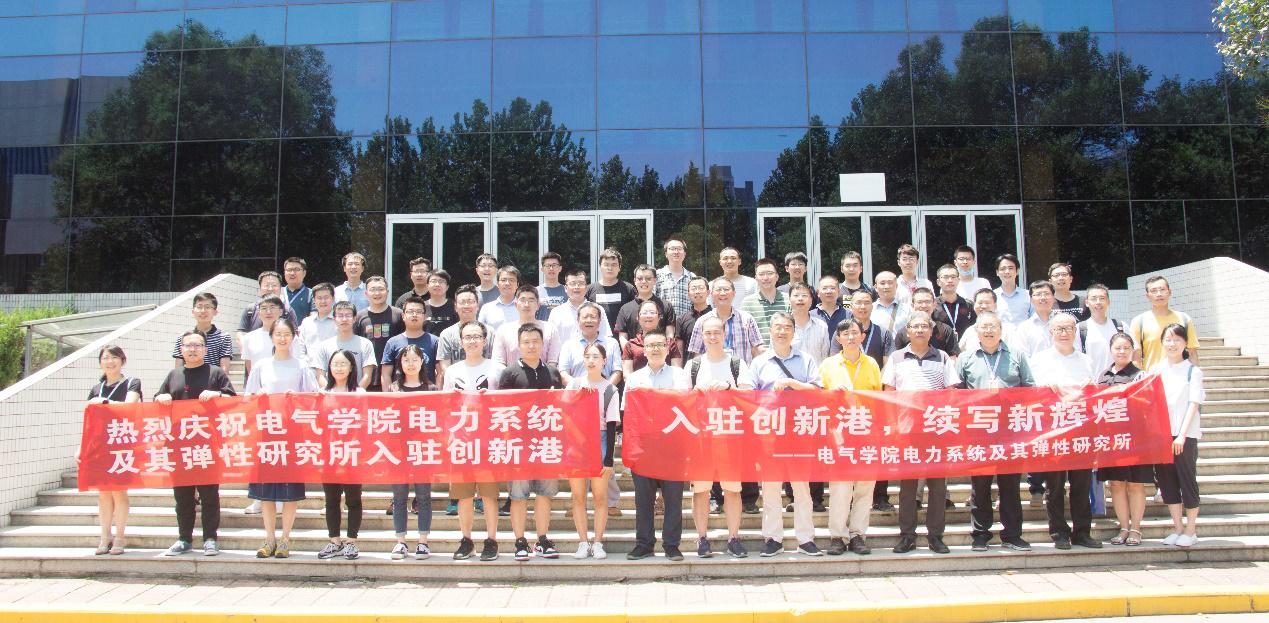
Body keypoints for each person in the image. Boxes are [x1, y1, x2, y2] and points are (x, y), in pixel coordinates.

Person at [957, 311, 1034, 552]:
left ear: (1001, 330)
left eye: (993, 326)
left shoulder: (1016, 355)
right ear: (976, 331)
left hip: (1010, 431)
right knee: (980, 486)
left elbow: (1030, 388)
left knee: (1010, 485)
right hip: (979, 432)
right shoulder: (966, 358)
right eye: (984, 327)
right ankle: (980, 535)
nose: (989, 331)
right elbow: (957, 394)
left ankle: (1012, 534)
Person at [883, 311, 958, 554]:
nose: (919, 330)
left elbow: (951, 393)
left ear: (931, 330)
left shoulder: (943, 356)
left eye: (924, 326)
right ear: (907, 331)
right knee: (908, 487)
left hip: (936, 429)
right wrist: (893, 426)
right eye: (915, 326)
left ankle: (936, 536)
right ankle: (907, 535)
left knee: (937, 487)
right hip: (907, 431)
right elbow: (889, 392)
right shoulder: (896, 357)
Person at [750, 313, 824, 557]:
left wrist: (793, 383)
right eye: (778, 327)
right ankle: (773, 538)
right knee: (771, 488)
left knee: (801, 487)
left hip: (799, 430)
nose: (782, 332)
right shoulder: (759, 362)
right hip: (770, 432)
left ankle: (806, 539)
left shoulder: (806, 359)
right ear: (770, 331)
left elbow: (817, 390)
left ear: (794, 332)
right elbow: (749, 396)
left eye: (787, 328)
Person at [157, 330, 236, 556]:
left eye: (197, 345)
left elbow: (234, 401)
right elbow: (157, 401)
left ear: (205, 349)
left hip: (207, 445)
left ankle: (210, 538)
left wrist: (217, 395)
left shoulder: (215, 373)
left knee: (209, 494)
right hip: (179, 446)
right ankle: (184, 539)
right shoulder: (173, 375)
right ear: (181, 350)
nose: (192, 349)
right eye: (188, 345)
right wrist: (160, 397)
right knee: (182, 496)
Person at [244, 318, 317, 560]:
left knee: (289, 490)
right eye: (278, 334)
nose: (283, 338)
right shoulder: (261, 366)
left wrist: (297, 396)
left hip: (292, 433)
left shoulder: (301, 365)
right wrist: (259, 395)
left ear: (293, 337)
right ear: (272, 337)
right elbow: (247, 398)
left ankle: (285, 539)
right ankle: (269, 538)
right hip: (267, 433)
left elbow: (313, 397)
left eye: (287, 334)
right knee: (266, 491)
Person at [1029, 313, 1101, 550]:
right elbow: (1032, 393)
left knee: (1081, 485)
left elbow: (1096, 393)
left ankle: (1082, 532)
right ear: (1051, 332)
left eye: (1069, 328)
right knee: (1055, 486)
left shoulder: (1086, 360)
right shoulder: (1039, 360)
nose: (1064, 333)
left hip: (1081, 430)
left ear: (1075, 332)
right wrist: (1045, 389)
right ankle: (1059, 532)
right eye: (1059, 329)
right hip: (1054, 431)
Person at [689, 316, 754, 559]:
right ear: (702, 336)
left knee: (732, 490)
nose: (713, 336)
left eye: (717, 332)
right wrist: (694, 392)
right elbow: (682, 400)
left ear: (725, 334)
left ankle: (733, 538)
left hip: (730, 437)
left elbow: (749, 396)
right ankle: (702, 538)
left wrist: (729, 387)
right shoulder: (694, 365)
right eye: (708, 333)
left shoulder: (736, 363)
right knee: (701, 491)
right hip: (701, 439)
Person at [498, 324, 565, 561]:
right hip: (519, 445)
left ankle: (542, 539)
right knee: (518, 496)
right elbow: (501, 410)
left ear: (543, 344)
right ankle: (520, 541)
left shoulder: (553, 373)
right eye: (526, 342)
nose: (531, 346)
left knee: (545, 494)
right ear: (518, 345)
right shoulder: (509, 373)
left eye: (535, 341)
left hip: (546, 444)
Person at [624, 329, 689, 561]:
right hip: (644, 447)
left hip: (672, 446)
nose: (655, 349)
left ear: (667, 348)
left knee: (673, 499)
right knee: (643, 499)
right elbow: (629, 413)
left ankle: (671, 545)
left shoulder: (680, 375)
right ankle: (644, 544)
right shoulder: (634, 378)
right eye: (650, 345)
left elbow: (683, 405)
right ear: (644, 350)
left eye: (660, 345)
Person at [818, 319, 882, 555]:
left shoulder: (871, 364)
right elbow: (818, 398)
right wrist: (831, 395)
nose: (851, 337)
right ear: (838, 338)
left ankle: (858, 535)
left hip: (866, 431)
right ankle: (837, 535)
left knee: (865, 487)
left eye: (855, 332)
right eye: (845, 333)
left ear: (862, 336)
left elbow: (879, 398)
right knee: (840, 487)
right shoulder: (828, 365)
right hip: (839, 433)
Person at [442, 320, 504, 560]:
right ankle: (466, 540)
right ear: (460, 342)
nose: (472, 341)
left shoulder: (497, 368)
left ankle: (492, 540)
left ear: (484, 340)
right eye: (467, 337)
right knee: (463, 495)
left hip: (488, 441)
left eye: (476, 336)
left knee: (489, 495)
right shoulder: (452, 371)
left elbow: (506, 405)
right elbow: (445, 405)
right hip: (461, 441)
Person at [565, 342, 621, 559]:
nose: (591, 360)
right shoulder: (574, 385)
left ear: (604, 361)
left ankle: (598, 542)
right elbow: (564, 413)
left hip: (601, 440)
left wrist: (608, 459)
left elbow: (611, 424)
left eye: (596, 357)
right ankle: (583, 541)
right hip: (577, 442)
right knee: (578, 496)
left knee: (600, 497)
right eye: (588, 356)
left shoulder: (610, 389)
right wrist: (579, 397)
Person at [85, 345, 141, 555]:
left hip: (121, 444)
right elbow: (89, 422)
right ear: (100, 362)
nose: (110, 362)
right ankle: (104, 536)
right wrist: (81, 448)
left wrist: (105, 402)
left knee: (119, 491)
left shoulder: (132, 382)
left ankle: (120, 537)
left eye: (114, 357)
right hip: (99, 446)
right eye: (106, 358)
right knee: (103, 493)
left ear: (122, 361)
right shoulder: (96, 388)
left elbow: (129, 407)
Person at [1154, 323, 1205, 547]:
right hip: (1162, 436)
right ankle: (1178, 528)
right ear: (1162, 343)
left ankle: (1191, 530)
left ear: (1185, 343)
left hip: (1185, 435)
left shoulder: (1193, 371)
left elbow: (1194, 403)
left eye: (1177, 339)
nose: (1172, 344)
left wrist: (1181, 435)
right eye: (1168, 339)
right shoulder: (1156, 369)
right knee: (1167, 482)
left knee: (1187, 481)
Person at [1096, 333, 1149, 547]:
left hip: (1135, 438)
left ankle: (1136, 528)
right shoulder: (1103, 375)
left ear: (1132, 350)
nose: (1122, 351)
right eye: (1118, 348)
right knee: (1116, 484)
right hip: (1110, 439)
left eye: (1126, 347)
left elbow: (1146, 404)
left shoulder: (1140, 375)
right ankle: (1124, 527)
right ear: (1111, 350)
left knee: (1135, 484)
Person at [387, 345, 435, 560]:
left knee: (424, 497)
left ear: (422, 361)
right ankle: (401, 542)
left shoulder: (431, 389)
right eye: (406, 360)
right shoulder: (393, 389)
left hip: (424, 451)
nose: (411, 364)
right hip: (398, 452)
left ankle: (423, 542)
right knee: (399, 498)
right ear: (400, 363)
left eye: (415, 359)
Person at [317, 349, 366, 561]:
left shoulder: (359, 393)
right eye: (335, 364)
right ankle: (334, 541)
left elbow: (365, 421)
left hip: (352, 454)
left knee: (353, 499)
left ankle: (351, 542)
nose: (339, 368)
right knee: (331, 500)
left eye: (343, 364)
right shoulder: (322, 393)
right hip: (329, 454)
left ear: (351, 367)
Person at [688, 277, 765, 363]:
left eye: (726, 289)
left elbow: (756, 349)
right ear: (712, 294)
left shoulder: (747, 319)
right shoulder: (702, 321)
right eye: (718, 290)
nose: (722, 293)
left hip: (742, 371)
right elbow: (697, 353)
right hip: (712, 371)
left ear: (734, 293)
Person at [1131, 275, 1200, 369]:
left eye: (1162, 289)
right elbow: (1136, 356)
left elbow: (1192, 353)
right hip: (1152, 376)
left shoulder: (1184, 319)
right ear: (1147, 296)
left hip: (1180, 376)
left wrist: (1194, 375)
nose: (1159, 294)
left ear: (1169, 292)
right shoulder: (1139, 322)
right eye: (1154, 291)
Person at [354, 276, 404, 392]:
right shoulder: (359, 317)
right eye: (372, 290)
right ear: (366, 293)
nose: (377, 293)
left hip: (394, 377)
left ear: (387, 291)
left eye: (381, 289)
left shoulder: (398, 315)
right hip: (367, 377)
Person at [311, 301, 376, 389]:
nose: (344, 319)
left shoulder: (366, 344)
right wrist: (331, 393)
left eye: (348, 315)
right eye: (340, 316)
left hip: (357, 395)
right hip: (331, 395)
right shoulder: (324, 346)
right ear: (334, 319)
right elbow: (320, 376)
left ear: (354, 319)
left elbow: (367, 376)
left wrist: (355, 393)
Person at [437, 284, 494, 384]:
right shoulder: (446, 334)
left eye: (470, 301)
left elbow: (495, 361)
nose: (466, 306)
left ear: (477, 306)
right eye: (462, 302)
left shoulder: (490, 332)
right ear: (455, 307)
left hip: (485, 385)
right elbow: (445, 366)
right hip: (458, 386)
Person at [493, 286, 562, 368]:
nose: (526, 305)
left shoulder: (550, 329)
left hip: (544, 375)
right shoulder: (503, 330)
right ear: (516, 305)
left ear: (538, 305)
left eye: (531, 300)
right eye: (522, 300)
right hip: (511, 375)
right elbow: (499, 362)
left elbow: (553, 361)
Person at [380, 297, 438, 388]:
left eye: (419, 312)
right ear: (403, 316)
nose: (414, 315)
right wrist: (389, 395)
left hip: (427, 394)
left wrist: (438, 394)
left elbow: (440, 373)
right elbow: (386, 375)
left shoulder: (435, 341)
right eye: (410, 311)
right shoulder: (392, 343)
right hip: (400, 394)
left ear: (425, 316)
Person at [615, 264, 676, 348]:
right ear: (635, 280)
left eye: (648, 278)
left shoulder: (666, 306)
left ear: (655, 280)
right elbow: (622, 337)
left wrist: (662, 351)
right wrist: (631, 352)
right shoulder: (625, 309)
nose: (644, 281)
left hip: (660, 353)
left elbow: (670, 335)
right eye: (640, 279)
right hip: (634, 355)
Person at [561, 302, 623, 385]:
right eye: (585, 317)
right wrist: (580, 388)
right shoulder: (568, 345)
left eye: (593, 317)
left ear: (600, 320)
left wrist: (604, 389)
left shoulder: (612, 343)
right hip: (577, 391)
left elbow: (617, 372)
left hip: (605, 391)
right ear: (578, 320)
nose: (589, 320)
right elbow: (563, 374)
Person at [236, 271, 299, 351]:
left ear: (280, 289)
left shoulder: (287, 310)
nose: (270, 288)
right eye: (266, 285)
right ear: (260, 289)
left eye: (274, 285)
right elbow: (241, 333)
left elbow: (294, 336)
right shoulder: (250, 309)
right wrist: (248, 350)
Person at [548, 269, 614, 343]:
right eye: (573, 283)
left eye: (581, 283)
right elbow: (550, 340)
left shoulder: (598, 309)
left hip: (593, 350)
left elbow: (606, 337)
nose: (577, 287)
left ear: (586, 288)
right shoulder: (556, 312)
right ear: (566, 288)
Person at [172, 292, 233, 370]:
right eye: (199, 307)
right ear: (193, 311)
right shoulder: (183, 338)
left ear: (215, 312)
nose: (203, 311)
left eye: (207, 307)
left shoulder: (223, 337)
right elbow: (178, 370)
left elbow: (224, 370)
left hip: (213, 377)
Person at [894, 288, 960, 356]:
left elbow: (953, 357)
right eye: (919, 302)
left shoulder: (945, 330)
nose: (924, 305)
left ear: (934, 304)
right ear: (912, 305)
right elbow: (896, 357)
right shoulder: (903, 333)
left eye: (927, 302)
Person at [622, 299, 682, 374]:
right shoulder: (630, 345)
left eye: (652, 312)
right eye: (644, 313)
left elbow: (677, 371)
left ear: (659, 317)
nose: (648, 316)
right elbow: (627, 374)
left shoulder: (670, 343)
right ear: (638, 318)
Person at [740, 258, 790, 345]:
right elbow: (743, 332)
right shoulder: (747, 303)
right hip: (758, 352)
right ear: (756, 278)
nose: (766, 278)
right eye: (761, 274)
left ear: (777, 276)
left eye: (770, 273)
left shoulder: (789, 300)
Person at [587, 248, 637, 334]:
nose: (610, 268)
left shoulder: (629, 289)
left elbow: (635, 315)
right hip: (596, 338)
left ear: (619, 267)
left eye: (614, 265)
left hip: (623, 338)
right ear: (600, 267)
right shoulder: (589, 290)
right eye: (606, 264)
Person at [1078, 283, 1126, 373]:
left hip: (1119, 380)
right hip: (1092, 380)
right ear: (1087, 303)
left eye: (1102, 298)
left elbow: (1133, 353)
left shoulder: (1121, 327)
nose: (1098, 302)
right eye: (1094, 299)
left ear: (1108, 302)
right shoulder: (1079, 329)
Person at [240, 294, 285, 381]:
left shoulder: (290, 337)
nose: (268, 312)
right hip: (258, 386)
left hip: (284, 384)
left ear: (281, 311)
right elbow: (250, 368)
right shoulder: (249, 338)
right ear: (258, 313)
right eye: (264, 308)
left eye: (272, 307)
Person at [1012, 280, 1060, 358]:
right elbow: (1023, 357)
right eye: (1038, 294)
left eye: (1046, 294)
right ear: (1031, 300)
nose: (1043, 297)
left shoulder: (1064, 324)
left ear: (1054, 298)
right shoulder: (1024, 328)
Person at [959, 288, 1012, 353]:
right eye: (980, 303)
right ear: (974, 305)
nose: (983, 306)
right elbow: (959, 354)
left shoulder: (1007, 330)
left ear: (995, 306)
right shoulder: (969, 331)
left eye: (987, 303)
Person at [297, 283, 337, 369]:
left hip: (333, 369)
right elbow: (300, 347)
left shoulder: (339, 322)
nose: (323, 301)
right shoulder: (306, 322)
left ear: (333, 299)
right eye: (319, 298)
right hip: (309, 369)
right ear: (314, 300)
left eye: (326, 297)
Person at [848, 289, 893, 367]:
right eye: (858, 303)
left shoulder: (883, 333)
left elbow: (888, 365)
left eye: (867, 303)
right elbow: (835, 362)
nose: (863, 306)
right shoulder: (842, 332)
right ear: (851, 307)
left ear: (872, 306)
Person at [788, 283, 829, 366]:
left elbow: (825, 357)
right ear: (789, 300)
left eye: (804, 295)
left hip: (816, 373)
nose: (800, 299)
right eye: (796, 295)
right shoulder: (782, 327)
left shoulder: (822, 326)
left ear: (811, 300)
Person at [656, 238, 696, 318]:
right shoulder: (657, 275)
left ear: (684, 254)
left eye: (679, 249)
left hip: (686, 323)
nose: (676, 252)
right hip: (663, 323)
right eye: (672, 249)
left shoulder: (692, 277)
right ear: (666, 254)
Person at [674, 276, 711, 360]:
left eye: (701, 288)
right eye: (694, 289)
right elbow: (679, 349)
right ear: (688, 294)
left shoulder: (716, 316)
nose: (697, 292)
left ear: (708, 292)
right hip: (689, 365)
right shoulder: (681, 319)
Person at [935, 263, 975, 338]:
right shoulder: (932, 306)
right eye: (946, 277)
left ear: (958, 280)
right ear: (938, 282)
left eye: (953, 277)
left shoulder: (969, 305)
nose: (950, 280)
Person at [478, 266, 522, 332]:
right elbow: (479, 332)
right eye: (503, 280)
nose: (507, 283)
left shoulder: (524, 307)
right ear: (498, 284)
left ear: (517, 285)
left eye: (511, 280)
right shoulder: (486, 308)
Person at [993, 253, 1031, 328]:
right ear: (997, 272)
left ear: (1017, 271)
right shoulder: (992, 296)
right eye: (1003, 269)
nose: (1007, 271)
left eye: (1010, 268)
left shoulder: (1028, 295)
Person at [813, 276, 850, 351]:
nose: (829, 291)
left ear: (839, 292)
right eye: (824, 288)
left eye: (832, 288)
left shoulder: (849, 314)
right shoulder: (810, 315)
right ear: (818, 292)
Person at [871, 271, 910, 337]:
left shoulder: (907, 309)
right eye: (882, 283)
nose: (886, 286)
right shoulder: (869, 309)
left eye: (890, 283)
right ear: (876, 287)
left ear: (896, 286)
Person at [424, 269, 457, 335]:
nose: (437, 284)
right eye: (433, 281)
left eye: (441, 281)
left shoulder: (455, 306)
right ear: (427, 286)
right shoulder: (421, 307)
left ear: (447, 287)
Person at [281, 257, 313, 321]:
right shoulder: (278, 292)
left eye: (296, 269)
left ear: (304, 273)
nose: (292, 273)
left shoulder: (311, 294)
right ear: (284, 273)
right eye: (289, 270)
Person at [537, 252, 567, 319]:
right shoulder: (535, 291)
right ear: (542, 269)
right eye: (547, 265)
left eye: (554, 265)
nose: (551, 268)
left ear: (560, 268)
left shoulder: (567, 291)